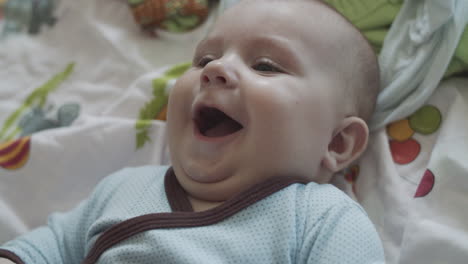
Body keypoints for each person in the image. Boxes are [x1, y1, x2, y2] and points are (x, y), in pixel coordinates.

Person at [0, 0, 385, 263]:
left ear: (337, 142)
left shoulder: (321, 219)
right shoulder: (124, 189)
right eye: (206, 57)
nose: (213, 69)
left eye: (265, 65)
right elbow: (47, 247)